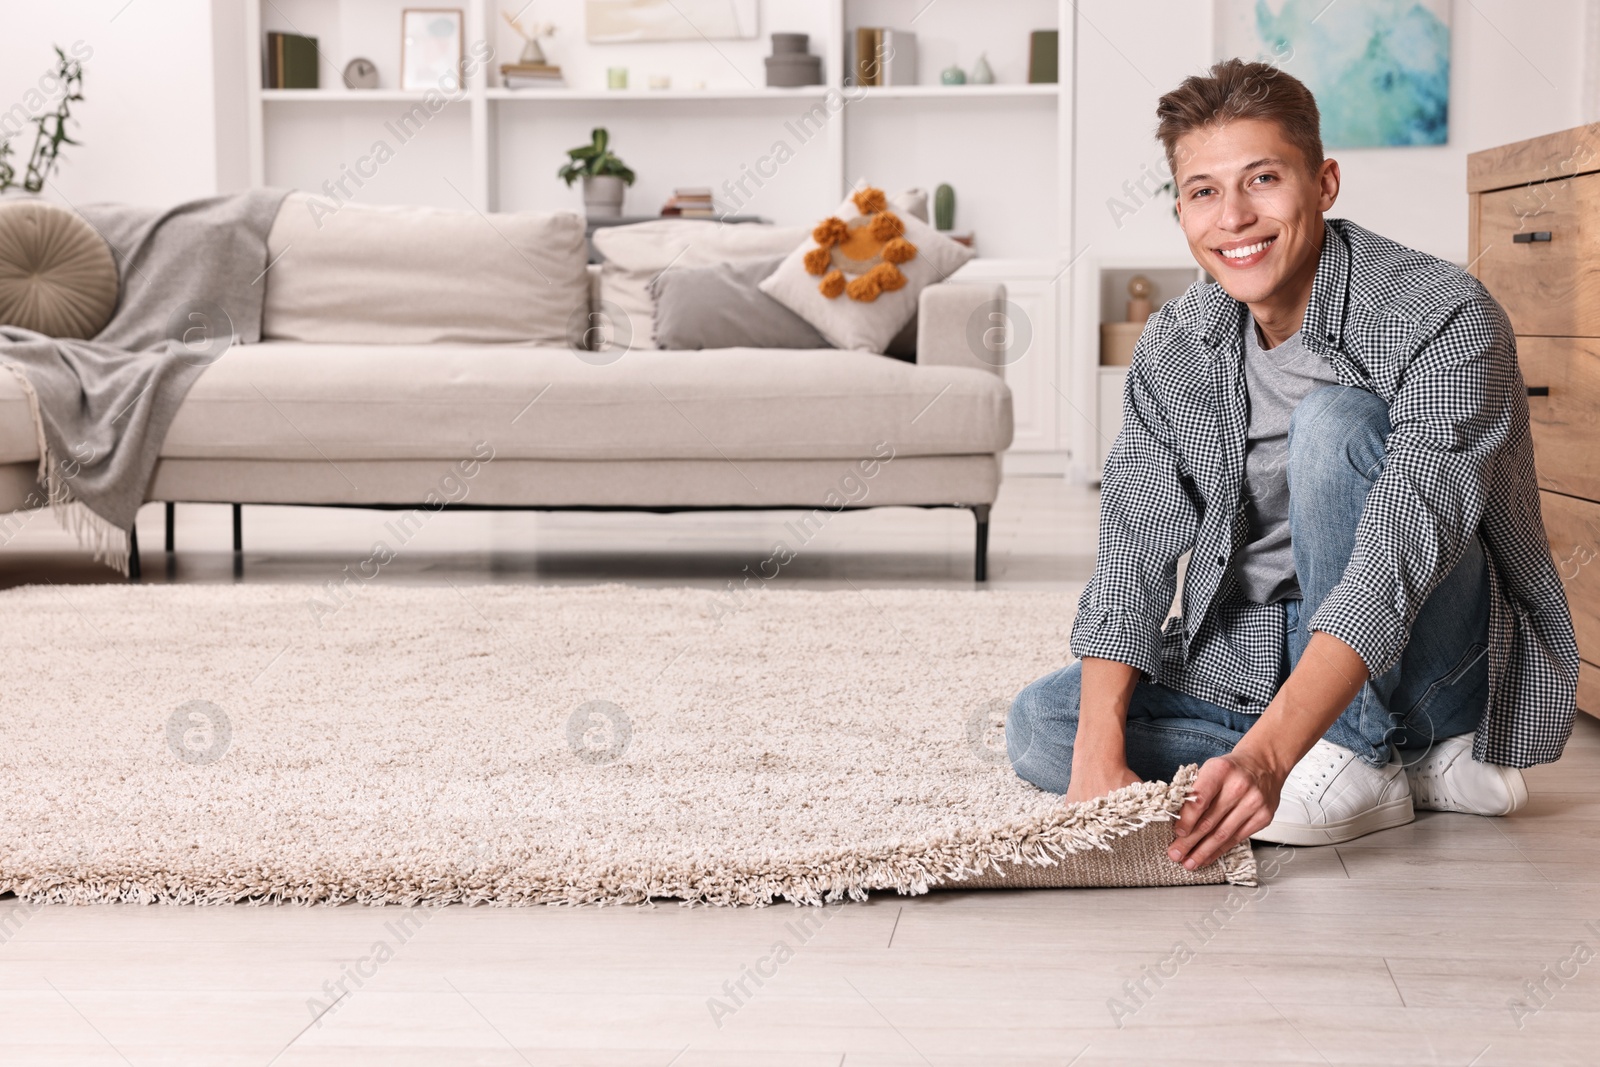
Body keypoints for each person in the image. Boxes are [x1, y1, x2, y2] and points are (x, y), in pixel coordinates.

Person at [1007, 59, 1578, 872]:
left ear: (1324, 182)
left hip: (1426, 641)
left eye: (1263, 179)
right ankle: (1407, 759)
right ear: (1181, 210)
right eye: (1203, 191)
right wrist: (1099, 758)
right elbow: (1135, 541)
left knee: (1332, 424)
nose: (1234, 217)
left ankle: (1364, 747)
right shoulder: (1175, 342)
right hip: (1261, 645)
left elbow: (1399, 556)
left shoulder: (1444, 312)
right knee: (1046, 726)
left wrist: (1268, 758)